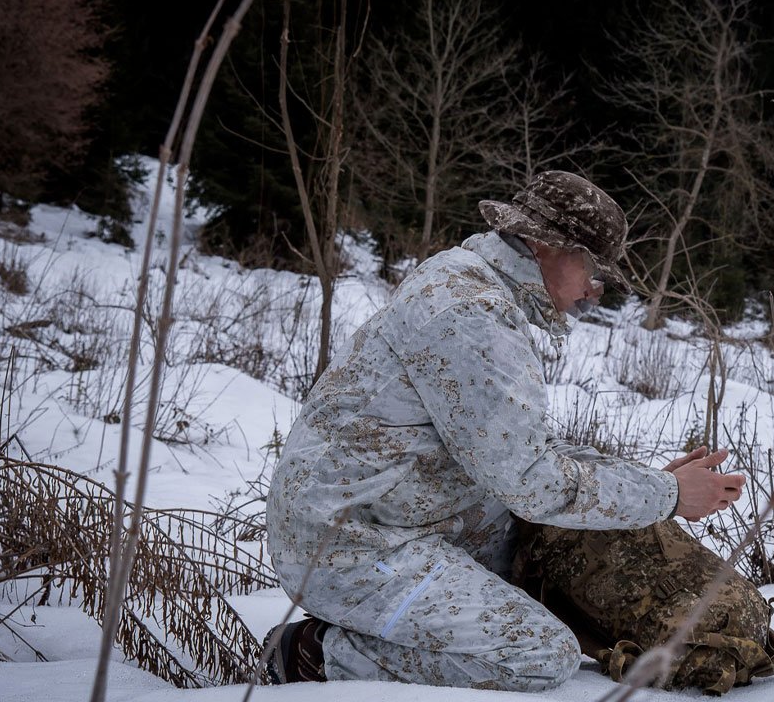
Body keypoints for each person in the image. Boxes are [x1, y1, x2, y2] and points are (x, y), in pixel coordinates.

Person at [263, 171, 745, 691]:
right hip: (348, 545)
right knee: (540, 654)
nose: (593, 290)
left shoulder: (477, 288)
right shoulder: (470, 313)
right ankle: (316, 654)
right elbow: (532, 481)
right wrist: (669, 495)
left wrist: (646, 484)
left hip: (405, 514)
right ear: (546, 245)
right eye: (592, 269)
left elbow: (526, 449)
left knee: (556, 563)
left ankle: (417, 620)